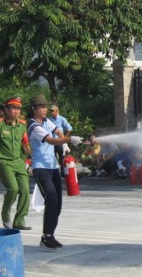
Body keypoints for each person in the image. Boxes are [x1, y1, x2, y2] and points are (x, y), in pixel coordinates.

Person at [28, 94, 83, 250]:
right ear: (34, 109)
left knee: (57, 202)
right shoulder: (34, 126)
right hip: (41, 168)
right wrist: (69, 140)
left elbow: (57, 132)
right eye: (42, 107)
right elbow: (51, 140)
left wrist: (64, 143)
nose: (45, 109)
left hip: (53, 167)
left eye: (46, 107)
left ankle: (50, 235)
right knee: (51, 198)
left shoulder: (47, 121)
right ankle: (45, 238)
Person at [0, 96, 32, 230]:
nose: (16, 111)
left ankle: (19, 220)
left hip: (19, 162)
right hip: (4, 162)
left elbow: (26, 145)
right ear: (6, 109)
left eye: (18, 108)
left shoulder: (22, 126)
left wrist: (33, 158)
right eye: (13, 108)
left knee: (25, 190)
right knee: (13, 189)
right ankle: (5, 215)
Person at [49, 104, 73, 176]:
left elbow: (69, 128)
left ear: (57, 111)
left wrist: (65, 138)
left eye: (53, 111)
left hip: (59, 141)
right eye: (51, 111)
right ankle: (55, 172)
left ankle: (63, 173)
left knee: (62, 157)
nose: (51, 112)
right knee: (53, 157)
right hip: (52, 141)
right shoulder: (49, 119)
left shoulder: (62, 119)